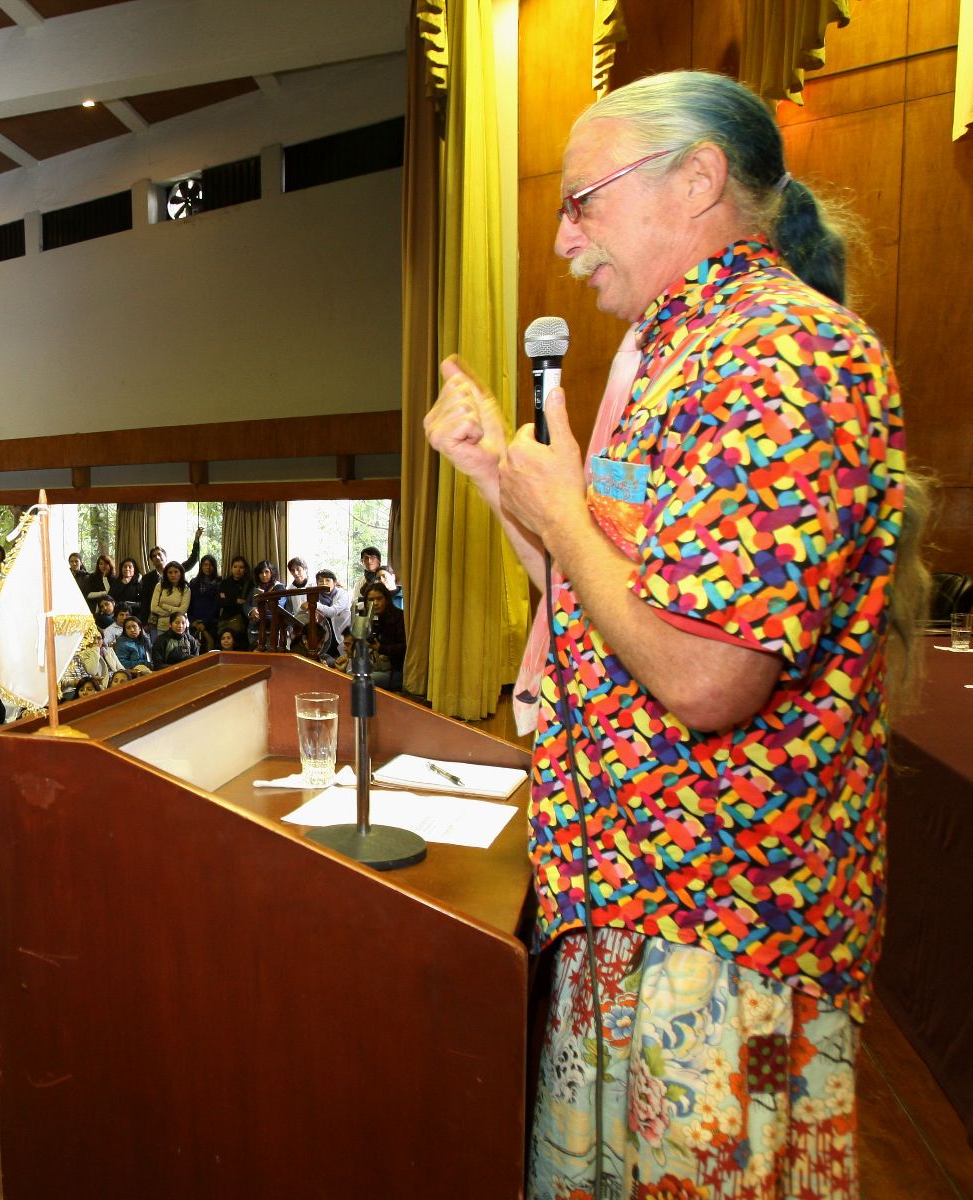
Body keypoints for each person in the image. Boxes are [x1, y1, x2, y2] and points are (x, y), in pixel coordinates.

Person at [423, 71, 916, 1199]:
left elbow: (702, 675)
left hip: (719, 930)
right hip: (629, 901)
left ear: (696, 179)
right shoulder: (676, 362)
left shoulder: (782, 360)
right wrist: (503, 477)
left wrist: (556, 511)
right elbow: (604, 610)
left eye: (581, 200)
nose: (562, 239)